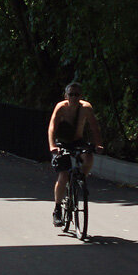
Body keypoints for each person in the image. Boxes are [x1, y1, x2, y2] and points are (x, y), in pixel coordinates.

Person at [47, 81, 104, 226]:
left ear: (81, 96)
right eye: (71, 94)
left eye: (76, 94)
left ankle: (80, 181)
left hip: (77, 141)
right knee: (63, 174)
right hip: (61, 142)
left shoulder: (86, 108)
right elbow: (52, 127)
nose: (73, 97)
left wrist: (98, 144)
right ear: (66, 95)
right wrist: (53, 146)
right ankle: (58, 209)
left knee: (88, 157)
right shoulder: (61, 107)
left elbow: (94, 127)